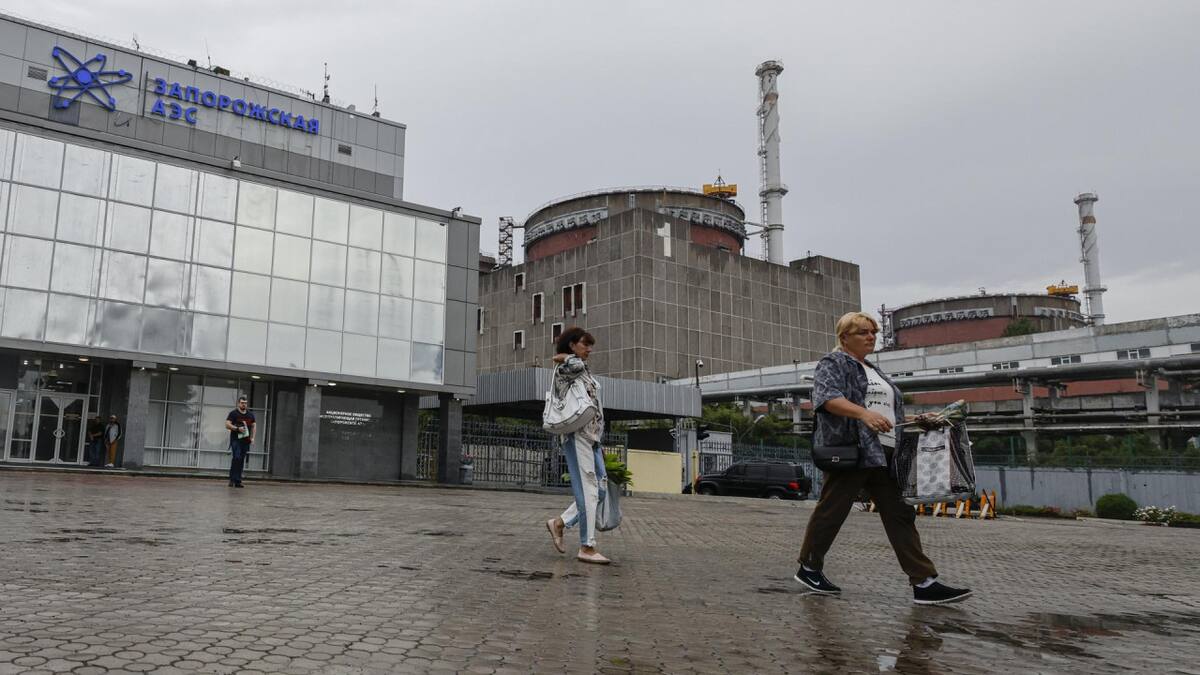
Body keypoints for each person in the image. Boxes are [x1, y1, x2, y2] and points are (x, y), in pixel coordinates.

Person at [795, 311, 971, 605]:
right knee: (833, 509)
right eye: (863, 332)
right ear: (844, 337)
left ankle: (924, 582)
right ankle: (809, 566)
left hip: (886, 452)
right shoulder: (833, 362)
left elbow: (888, 414)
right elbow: (825, 399)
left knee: (900, 513)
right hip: (855, 448)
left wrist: (919, 419)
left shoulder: (874, 370)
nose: (871, 337)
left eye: (873, 332)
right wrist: (863, 414)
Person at [544, 327, 611, 564]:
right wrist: (565, 357)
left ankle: (560, 523)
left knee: (601, 490)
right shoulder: (566, 368)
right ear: (572, 345)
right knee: (590, 490)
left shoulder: (582, 369)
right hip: (577, 436)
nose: (589, 349)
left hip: (593, 438)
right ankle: (587, 546)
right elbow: (574, 366)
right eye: (585, 344)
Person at [224, 395, 255, 488]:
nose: (244, 405)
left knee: (241, 459)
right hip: (235, 440)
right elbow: (227, 424)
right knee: (236, 457)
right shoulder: (233, 413)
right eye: (242, 403)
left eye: (245, 403)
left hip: (245, 440)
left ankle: (238, 481)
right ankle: (232, 479)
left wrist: (253, 438)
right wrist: (237, 428)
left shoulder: (250, 414)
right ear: (238, 403)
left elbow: (254, 426)